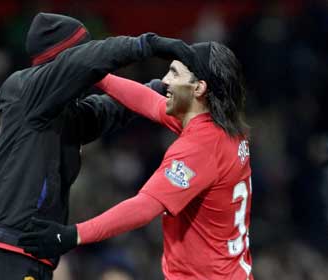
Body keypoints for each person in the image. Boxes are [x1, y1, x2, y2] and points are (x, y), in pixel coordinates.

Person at [18, 38, 254, 279]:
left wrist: (72, 235)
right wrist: (89, 69)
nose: (164, 81)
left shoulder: (200, 147)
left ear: (199, 88)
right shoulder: (222, 128)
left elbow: (145, 206)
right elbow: (147, 101)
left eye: (174, 73)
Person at [0, 13, 170, 280]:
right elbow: (87, 63)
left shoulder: (65, 114)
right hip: (4, 249)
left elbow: (110, 109)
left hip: (32, 251)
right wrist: (148, 45)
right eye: (81, 52)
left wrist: (159, 88)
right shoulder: (25, 90)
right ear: (63, 60)